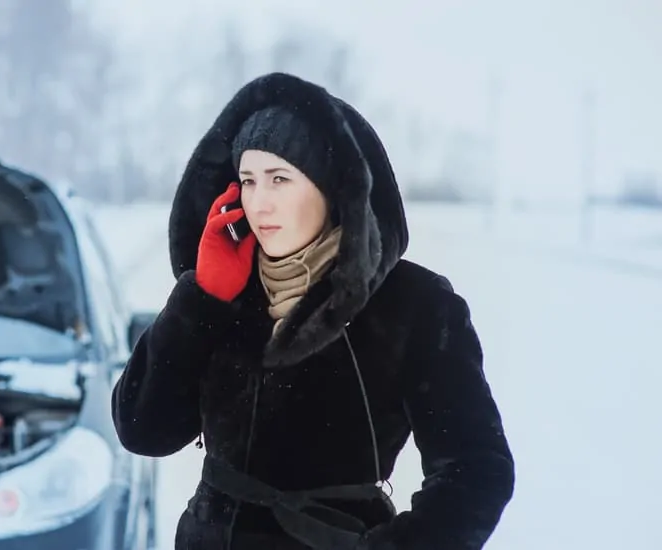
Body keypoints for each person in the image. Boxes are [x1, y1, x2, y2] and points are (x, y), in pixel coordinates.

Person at [111, 72, 515, 550]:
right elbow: (143, 430)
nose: (259, 203)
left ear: (332, 189)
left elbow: (477, 469)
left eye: (279, 179)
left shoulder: (413, 304)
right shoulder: (226, 292)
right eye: (248, 181)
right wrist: (200, 298)